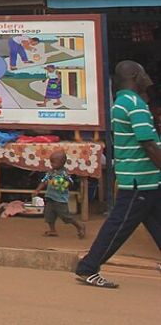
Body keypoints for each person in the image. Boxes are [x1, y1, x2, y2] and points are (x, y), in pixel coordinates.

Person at [74, 60, 161, 288]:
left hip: (144, 179)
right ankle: (89, 267)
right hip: (139, 179)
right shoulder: (135, 104)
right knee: (119, 225)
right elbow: (149, 144)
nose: (147, 77)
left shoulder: (122, 101)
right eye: (143, 72)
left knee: (156, 221)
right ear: (134, 74)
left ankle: (89, 266)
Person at [37, 149, 85, 239]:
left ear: (62, 163)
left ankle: (79, 226)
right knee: (49, 215)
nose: (52, 164)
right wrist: (37, 190)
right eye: (51, 162)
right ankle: (52, 230)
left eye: (54, 163)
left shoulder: (64, 173)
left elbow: (71, 183)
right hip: (50, 197)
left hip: (60, 199)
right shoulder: (51, 172)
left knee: (65, 216)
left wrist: (64, 182)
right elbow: (44, 181)